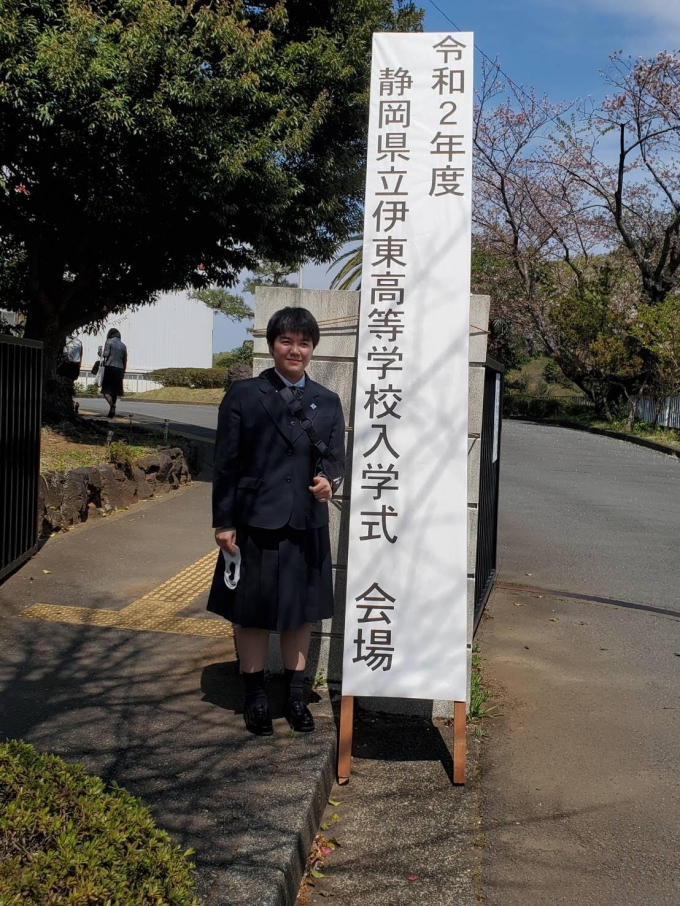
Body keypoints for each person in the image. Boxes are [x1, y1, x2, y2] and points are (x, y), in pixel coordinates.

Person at [207, 307, 345, 736]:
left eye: (304, 343)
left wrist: (329, 482)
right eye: (287, 341)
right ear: (272, 346)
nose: (295, 350)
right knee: (251, 612)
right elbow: (225, 463)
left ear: (312, 349)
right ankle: (254, 695)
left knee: (300, 613)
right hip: (254, 520)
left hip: (306, 522)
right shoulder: (244, 394)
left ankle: (296, 695)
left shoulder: (328, 400)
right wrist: (223, 522)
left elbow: (334, 459)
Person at [98, 328, 127, 418]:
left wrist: (100, 351)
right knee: (115, 391)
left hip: (110, 367)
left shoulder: (109, 342)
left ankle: (112, 405)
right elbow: (125, 359)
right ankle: (112, 411)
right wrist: (124, 371)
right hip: (120, 368)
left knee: (106, 391)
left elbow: (106, 355)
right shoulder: (123, 345)